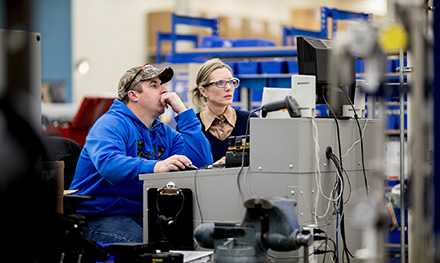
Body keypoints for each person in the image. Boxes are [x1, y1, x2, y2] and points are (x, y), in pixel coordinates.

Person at [69, 63, 213, 243]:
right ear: (133, 95)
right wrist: (157, 166)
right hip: (100, 217)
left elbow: (201, 164)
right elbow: (109, 164)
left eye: (162, 84)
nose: (163, 90)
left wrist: (183, 113)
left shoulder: (165, 133)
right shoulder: (110, 124)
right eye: (154, 85)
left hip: (144, 215)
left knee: (190, 239)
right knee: (144, 249)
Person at [189, 58, 258, 164]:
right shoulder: (191, 127)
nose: (229, 88)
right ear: (203, 91)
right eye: (220, 83)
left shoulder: (251, 120)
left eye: (231, 82)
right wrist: (212, 169)